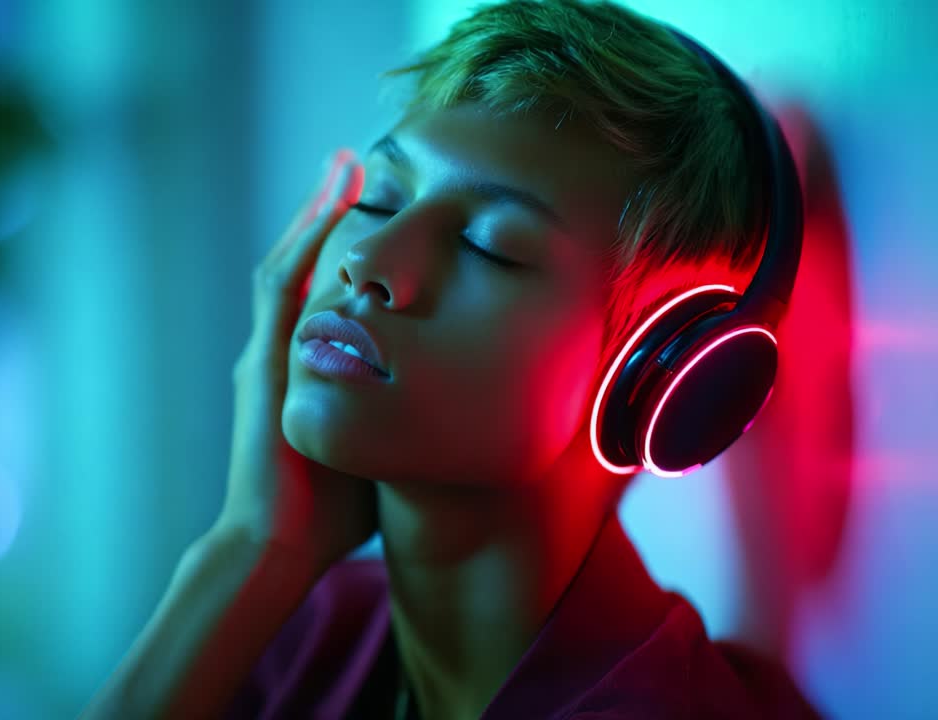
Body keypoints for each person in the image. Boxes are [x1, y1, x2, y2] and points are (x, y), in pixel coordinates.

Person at [83, 0, 822, 717]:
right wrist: (248, 550)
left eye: (488, 245)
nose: (367, 258)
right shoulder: (306, 636)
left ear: (662, 378)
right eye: (377, 198)